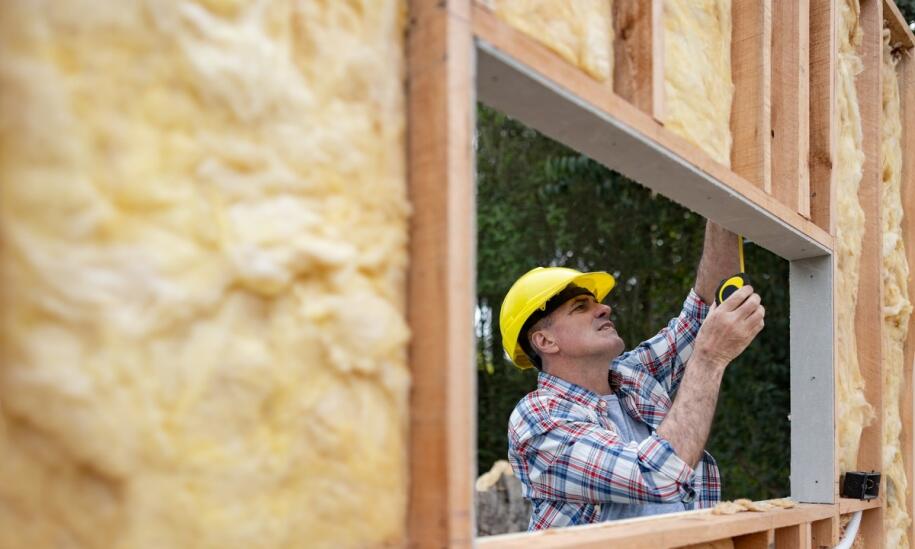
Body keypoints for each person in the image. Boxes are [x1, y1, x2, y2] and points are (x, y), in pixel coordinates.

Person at [500, 222, 765, 530]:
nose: (604, 309)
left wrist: (722, 203)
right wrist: (709, 359)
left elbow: (704, 311)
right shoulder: (537, 418)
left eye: (597, 302)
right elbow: (656, 476)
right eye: (580, 307)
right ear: (545, 341)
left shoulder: (633, 376)